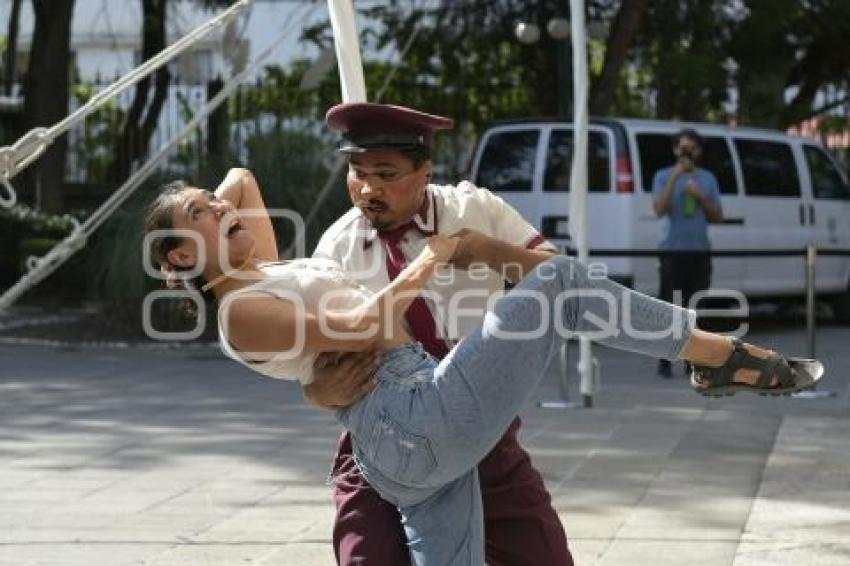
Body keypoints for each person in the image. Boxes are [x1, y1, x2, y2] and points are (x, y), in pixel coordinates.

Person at [144, 167, 822, 566]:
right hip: (408, 416)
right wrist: (439, 256)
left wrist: (203, 207)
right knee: (558, 287)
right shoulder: (239, 310)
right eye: (203, 217)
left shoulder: (261, 270)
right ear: (176, 261)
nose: (224, 206)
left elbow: (242, 181)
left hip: (408, 425)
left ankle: (716, 360)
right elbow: (370, 325)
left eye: (216, 205)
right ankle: (716, 356)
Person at [308, 102, 571, 566]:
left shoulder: (474, 209)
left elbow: (565, 281)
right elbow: (315, 359)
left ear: (425, 170)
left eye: (386, 174)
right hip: (382, 443)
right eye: (357, 171)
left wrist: (491, 252)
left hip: (481, 431)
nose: (368, 188)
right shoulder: (336, 247)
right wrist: (317, 390)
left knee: (542, 556)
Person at [652, 128, 724, 379]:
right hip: (672, 250)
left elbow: (718, 217)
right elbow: (659, 210)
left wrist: (702, 197)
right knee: (670, 307)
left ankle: (693, 361)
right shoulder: (663, 176)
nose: (687, 153)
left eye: (692, 149)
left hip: (700, 251)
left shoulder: (708, 179)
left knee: (697, 307)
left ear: (699, 151)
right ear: (674, 150)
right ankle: (665, 360)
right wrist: (675, 177)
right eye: (682, 148)